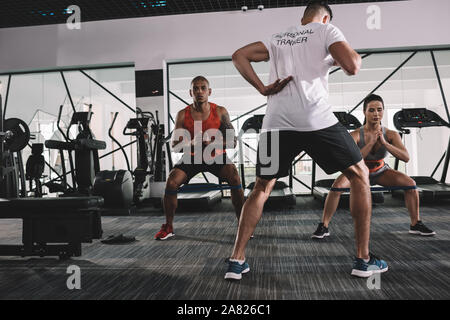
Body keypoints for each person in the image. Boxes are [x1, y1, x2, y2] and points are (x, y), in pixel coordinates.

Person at [225, 0, 388, 280]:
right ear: (325, 18)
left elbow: (238, 55)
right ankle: (363, 260)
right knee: (359, 173)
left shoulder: (278, 38)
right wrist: (346, 56)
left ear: (304, 18)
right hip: (316, 121)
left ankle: (236, 260)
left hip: (276, 123)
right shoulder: (326, 31)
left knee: (261, 187)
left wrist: (263, 88)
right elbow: (352, 66)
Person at [312, 94, 436, 239]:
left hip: (381, 171)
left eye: (379, 109)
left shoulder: (391, 134)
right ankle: (324, 225)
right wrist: (370, 143)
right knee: (336, 187)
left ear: (383, 111)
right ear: (364, 112)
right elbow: (352, 159)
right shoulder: (356, 134)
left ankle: (415, 223)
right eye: (371, 110)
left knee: (411, 184)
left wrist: (385, 143)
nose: (376, 114)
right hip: (358, 172)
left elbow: (406, 157)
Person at [154, 76, 245, 240]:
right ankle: (168, 226)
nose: (199, 91)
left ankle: (242, 224)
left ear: (209, 92)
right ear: (191, 92)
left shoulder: (220, 111)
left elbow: (232, 142)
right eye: (196, 88)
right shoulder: (183, 114)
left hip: (215, 155)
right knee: (172, 181)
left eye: (203, 88)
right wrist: (191, 143)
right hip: (192, 157)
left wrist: (212, 141)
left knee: (234, 177)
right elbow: (175, 145)